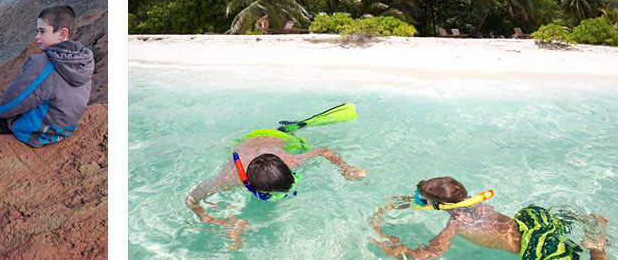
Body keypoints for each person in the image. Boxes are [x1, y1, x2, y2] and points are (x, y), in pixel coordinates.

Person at [187, 129, 367, 250]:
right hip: (245, 141)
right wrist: (209, 218)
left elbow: (324, 151)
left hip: (278, 139)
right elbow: (191, 199)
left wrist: (346, 168)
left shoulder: (292, 160)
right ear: (253, 187)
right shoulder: (228, 179)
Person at [369, 176, 610, 259]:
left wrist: (390, 247)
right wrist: (403, 201)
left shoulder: (456, 223)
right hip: (530, 222)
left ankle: (597, 248)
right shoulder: (475, 202)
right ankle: (590, 227)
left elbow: (428, 256)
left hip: (531, 246)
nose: (418, 202)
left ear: (438, 205)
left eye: (422, 200)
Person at [0, 4, 93, 147]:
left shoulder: (42, 64)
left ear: (62, 34)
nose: (37, 36)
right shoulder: (84, 61)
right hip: (65, 129)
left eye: (42, 31)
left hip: (40, 133)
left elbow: (16, 98)